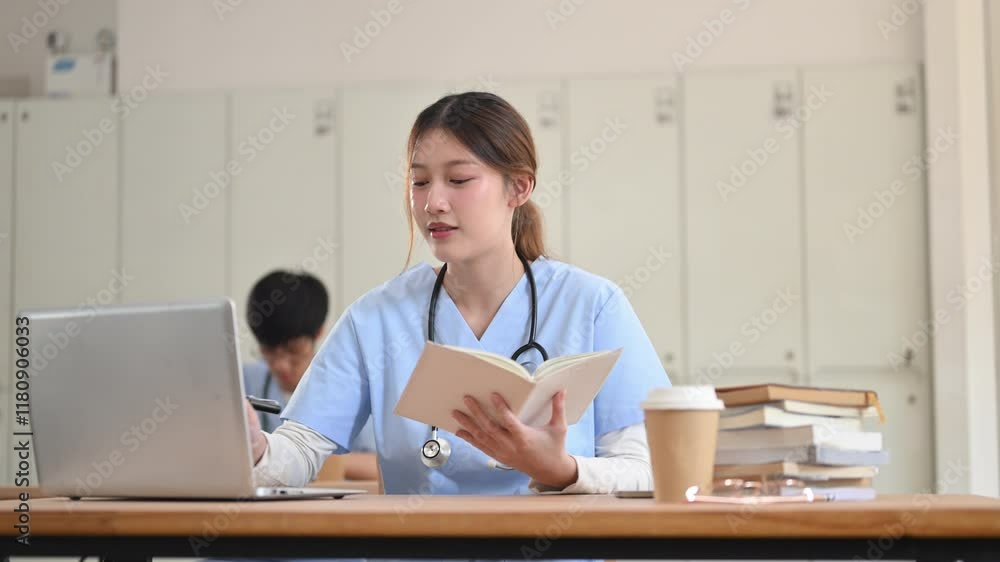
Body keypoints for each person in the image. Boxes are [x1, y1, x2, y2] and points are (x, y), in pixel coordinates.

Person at [247, 91, 670, 499]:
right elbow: (298, 453)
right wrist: (251, 445)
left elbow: (650, 469)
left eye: (459, 179)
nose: (433, 202)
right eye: (420, 181)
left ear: (519, 188)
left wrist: (560, 471)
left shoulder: (592, 305)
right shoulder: (376, 317)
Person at [243, 270, 378, 481]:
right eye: (269, 351)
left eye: (293, 350)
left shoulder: (348, 382)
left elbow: (381, 465)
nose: (281, 365)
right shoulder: (246, 380)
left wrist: (310, 457)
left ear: (318, 333)